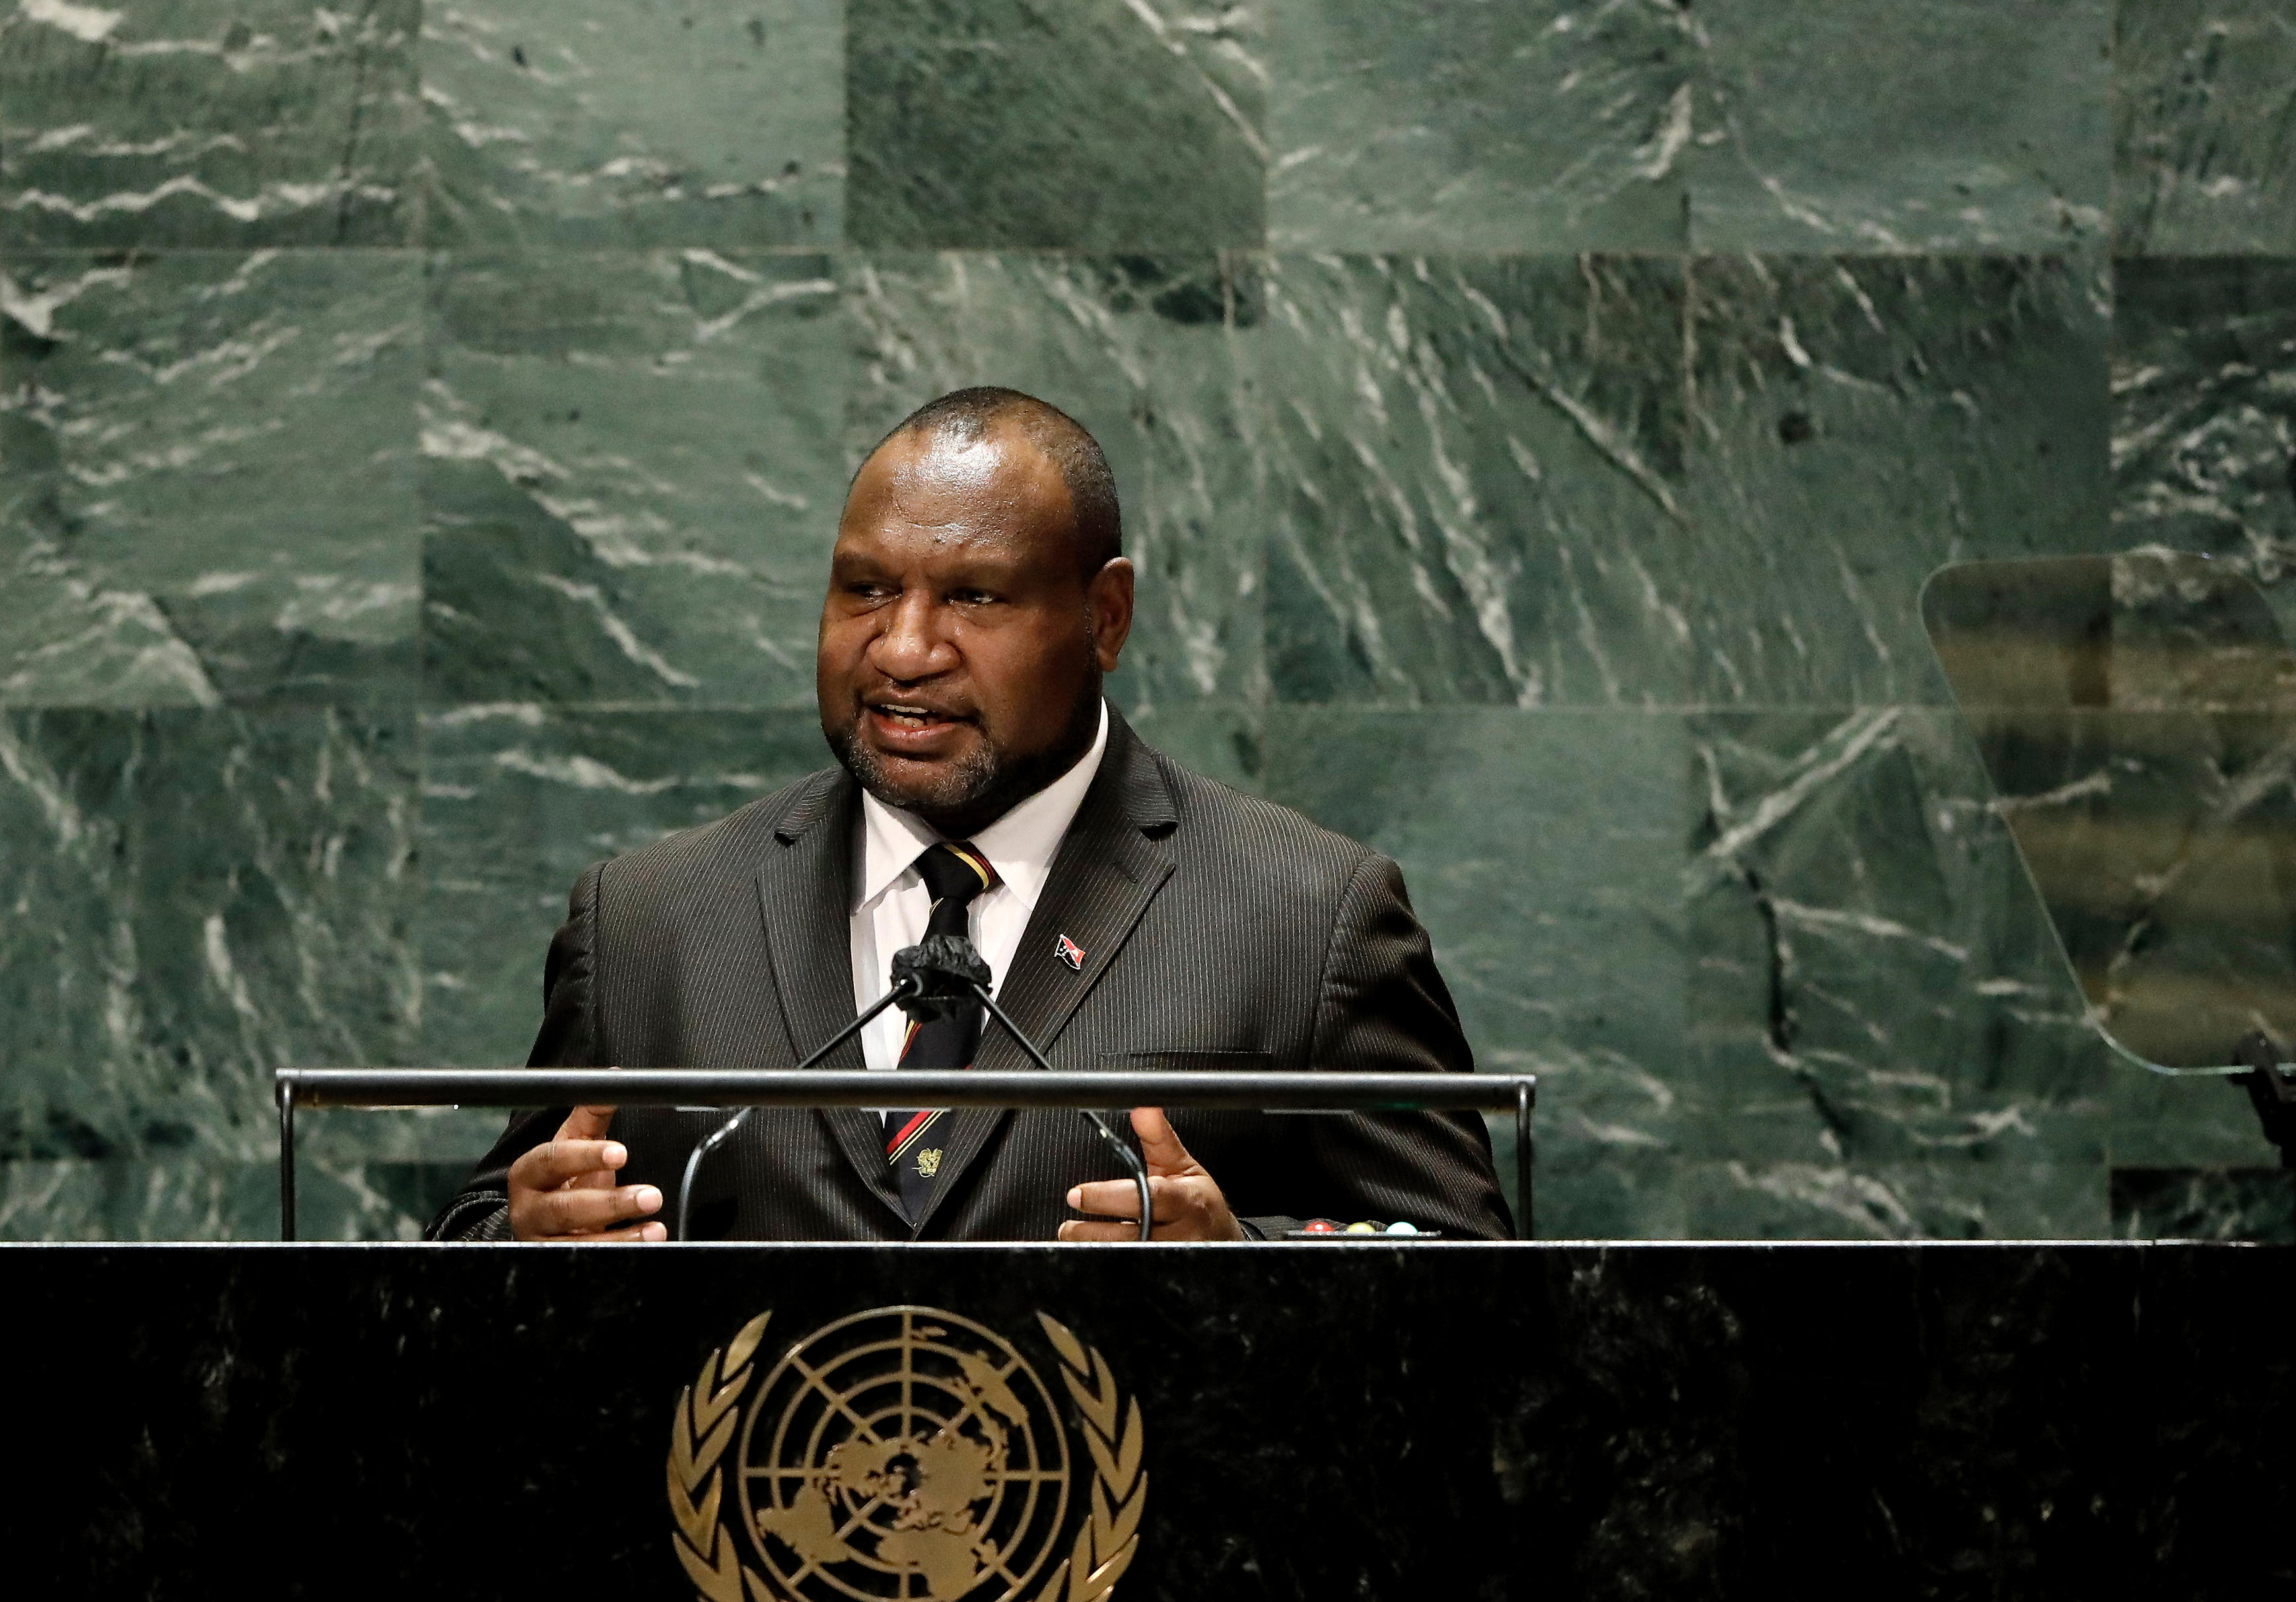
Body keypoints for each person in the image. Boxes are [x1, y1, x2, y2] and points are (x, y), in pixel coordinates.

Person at [431, 386, 1511, 1244]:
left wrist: (1246, 1263)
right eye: (864, 590)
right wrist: (521, 1242)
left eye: (974, 598)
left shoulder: (1311, 914)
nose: (903, 649)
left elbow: (1472, 1280)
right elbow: (469, 1242)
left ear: (1105, 617)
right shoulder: (648, 922)